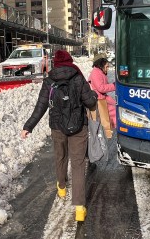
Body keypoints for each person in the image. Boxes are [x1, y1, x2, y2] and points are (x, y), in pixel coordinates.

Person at [21, 49, 97, 222]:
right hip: (78, 126)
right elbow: (91, 102)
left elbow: (40, 106)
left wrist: (28, 126)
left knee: (60, 157)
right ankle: (79, 208)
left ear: (56, 62)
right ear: (70, 61)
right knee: (78, 165)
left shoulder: (49, 80)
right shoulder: (78, 76)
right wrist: (91, 94)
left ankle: (61, 186)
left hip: (57, 127)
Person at [88, 53, 116, 128]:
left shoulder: (99, 72)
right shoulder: (96, 73)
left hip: (102, 99)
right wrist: (114, 86)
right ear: (101, 64)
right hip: (100, 100)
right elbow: (101, 88)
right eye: (106, 67)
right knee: (113, 115)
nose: (108, 69)